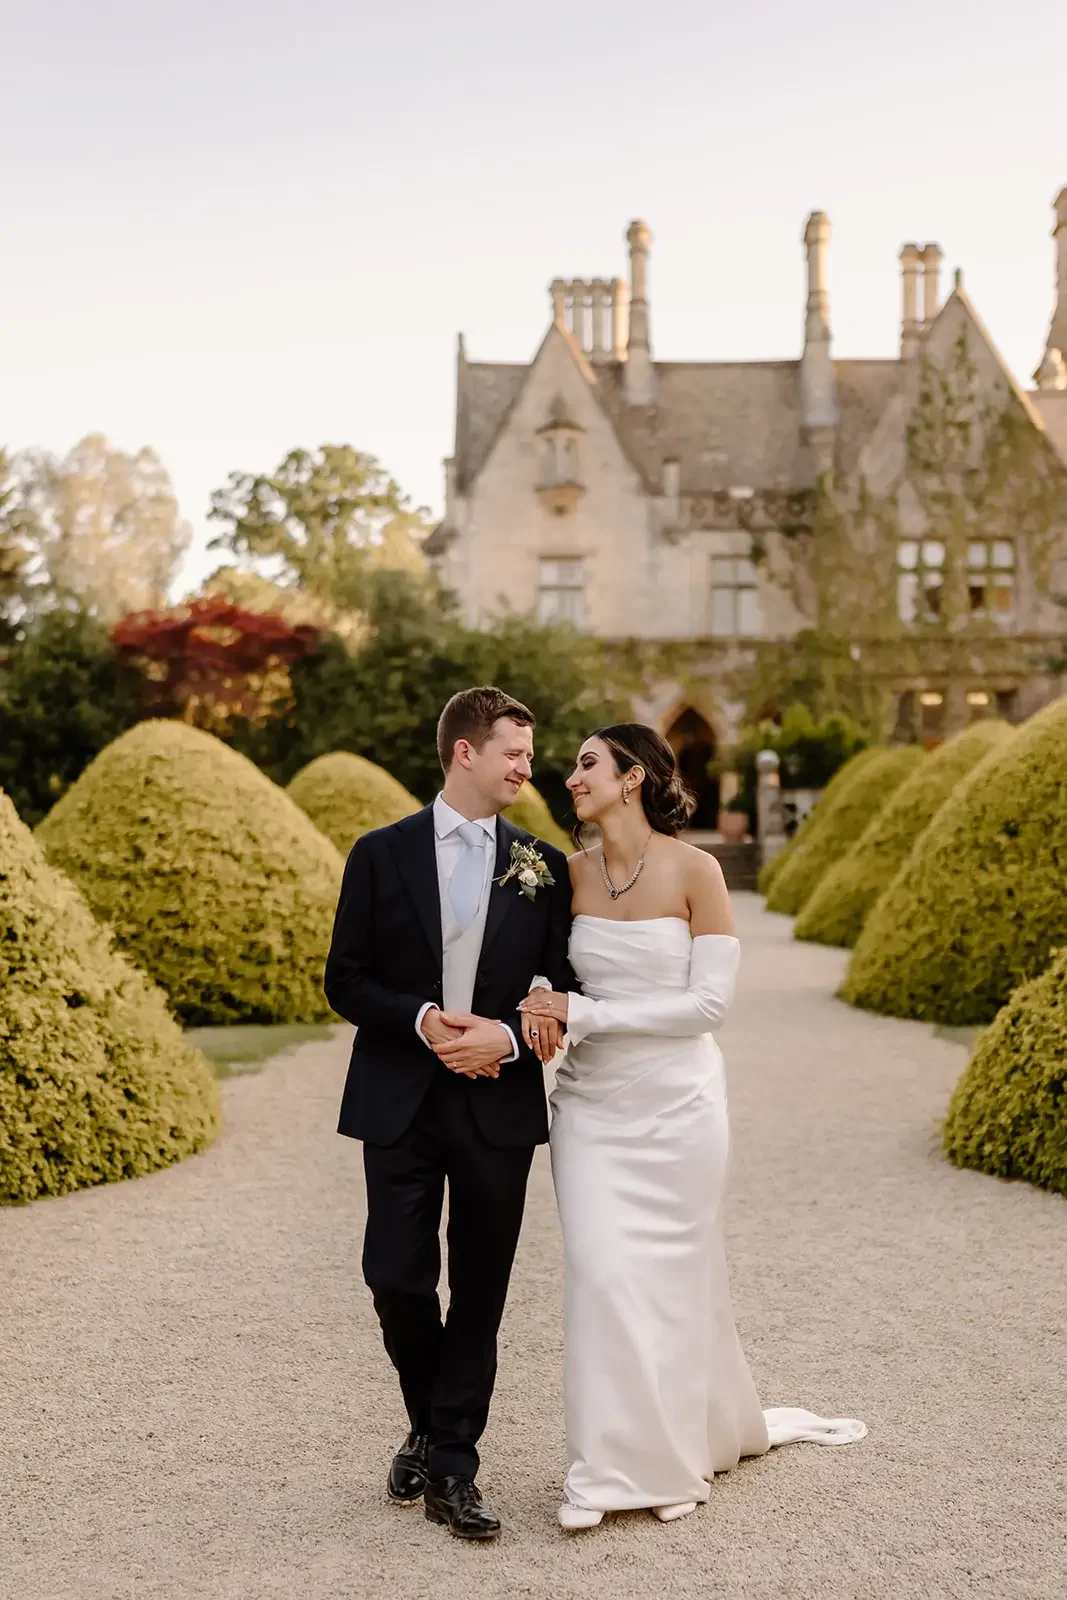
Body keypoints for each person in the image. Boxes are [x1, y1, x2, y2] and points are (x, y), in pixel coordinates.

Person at [519, 724, 865, 1529]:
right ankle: (604, 1469)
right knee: (602, 1277)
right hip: (591, 1108)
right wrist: (541, 1000)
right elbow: (542, 972)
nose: (570, 777)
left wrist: (586, 1012)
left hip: (677, 1107)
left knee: (672, 1283)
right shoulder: (564, 875)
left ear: (632, 777)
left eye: (587, 764)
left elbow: (709, 1006)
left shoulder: (697, 870)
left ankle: (671, 1464)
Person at [324, 687, 573, 1542]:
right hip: (398, 1096)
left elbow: (560, 986)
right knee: (394, 1273)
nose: (525, 767)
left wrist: (504, 1036)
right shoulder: (378, 853)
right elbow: (344, 978)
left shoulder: (543, 864)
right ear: (464, 752)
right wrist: (424, 1021)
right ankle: (430, 1425)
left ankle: (453, 1467)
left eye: (528, 755)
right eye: (512, 752)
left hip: (495, 1104)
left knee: (481, 1286)